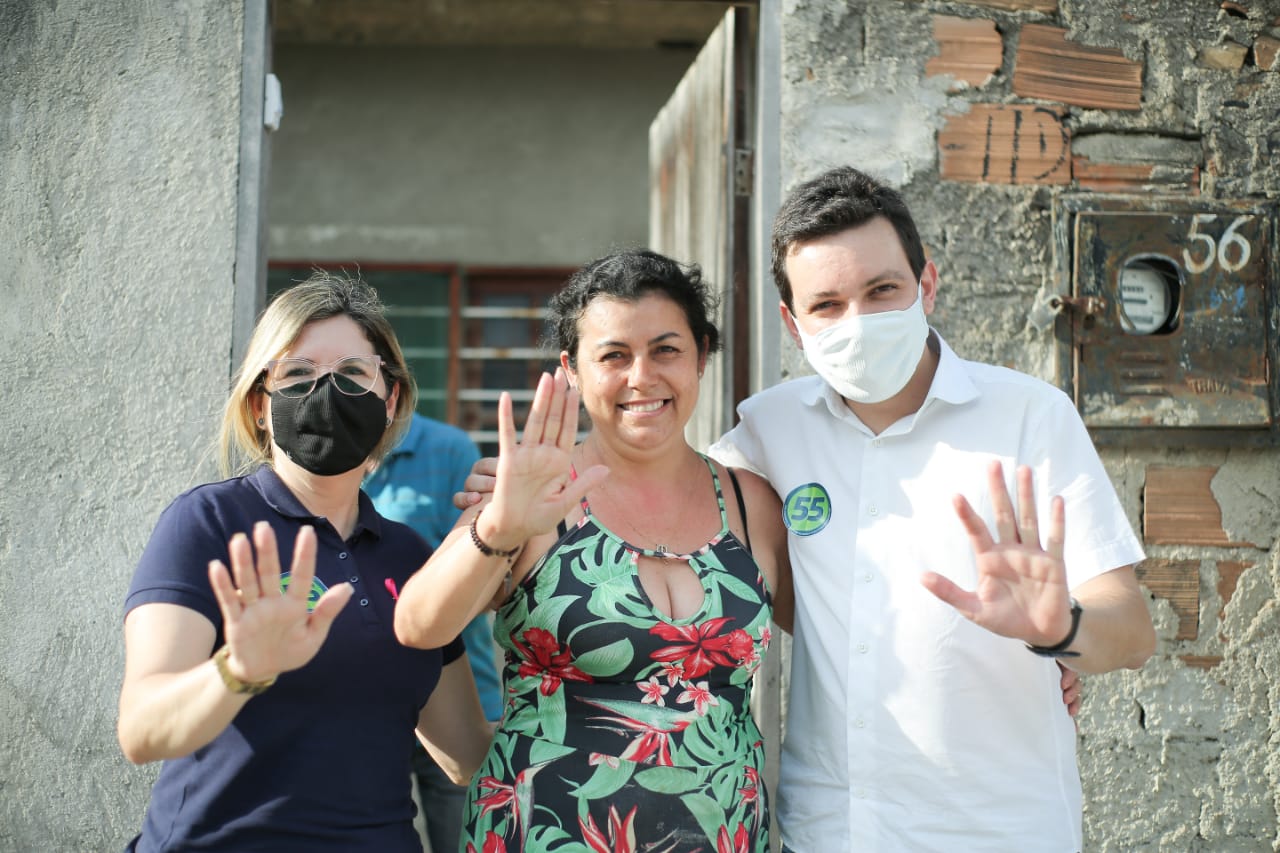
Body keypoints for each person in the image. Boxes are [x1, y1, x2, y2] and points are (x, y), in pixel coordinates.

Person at [703, 166, 1156, 851]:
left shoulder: (1030, 416)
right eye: (826, 304)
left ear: (927, 285)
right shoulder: (770, 429)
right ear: (793, 325)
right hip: (829, 831)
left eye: (882, 289)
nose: (858, 320)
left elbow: (1131, 631)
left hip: (1000, 830)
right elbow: (669, 500)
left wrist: (1061, 628)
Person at [393, 250, 793, 853]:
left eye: (666, 349)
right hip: (542, 834)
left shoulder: (749, 501)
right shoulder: (531, 495)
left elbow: (838, 628)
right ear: (572, 370)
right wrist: (499, 528)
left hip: (727, 834)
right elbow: (419, 626)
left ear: (702, 356)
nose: (641, 377)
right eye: (612, 356)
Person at [117, 272, 492, 852]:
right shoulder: (210, 523)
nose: (326, 392)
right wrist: (239, 671)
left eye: (351, 374)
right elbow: (142, 732)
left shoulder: (411, 556)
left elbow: (466, 753)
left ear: (390, 399)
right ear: (260, 404)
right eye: (297, 373)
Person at [364, 412, 505, 852]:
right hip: (366, 705)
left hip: (454, 693)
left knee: (463, 839)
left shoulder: (449, 449)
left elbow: (476, 581)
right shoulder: (329, 462)